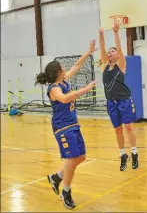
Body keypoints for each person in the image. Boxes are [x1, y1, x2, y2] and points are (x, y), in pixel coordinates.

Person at [35, 40, 97, 209]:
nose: (65, 68)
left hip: (73, 124)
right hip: (62, 127)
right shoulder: (54, 89)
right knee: (72, 159)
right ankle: (66, 192)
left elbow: (76, 66)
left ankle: (56, 177)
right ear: (58, 72)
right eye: (62, 67)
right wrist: (87, 88)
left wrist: (89, 51)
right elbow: (65, 98)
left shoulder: (63, 81)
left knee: (81, 157)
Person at [98, 21, 139, 171]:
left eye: (113, 52)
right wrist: (101, 34)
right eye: (109, 52)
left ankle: (134, 153)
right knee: (117, 130)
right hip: (111, 103)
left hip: (124, 101)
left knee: (128, 127)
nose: (110, 53)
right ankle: (123, 155)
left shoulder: (121, 65)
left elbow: (120, 49)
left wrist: (116, 32)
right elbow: (102, 48)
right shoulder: (104, 66)